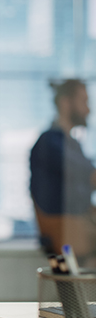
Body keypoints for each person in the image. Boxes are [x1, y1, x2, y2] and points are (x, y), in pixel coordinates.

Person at [30, 79, 96, 257]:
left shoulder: (71, 144)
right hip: (67, 233)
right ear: (65, 103)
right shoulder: (50, 143)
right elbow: (91, 176)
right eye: (84, 101)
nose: (88, 109)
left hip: (79, 227)